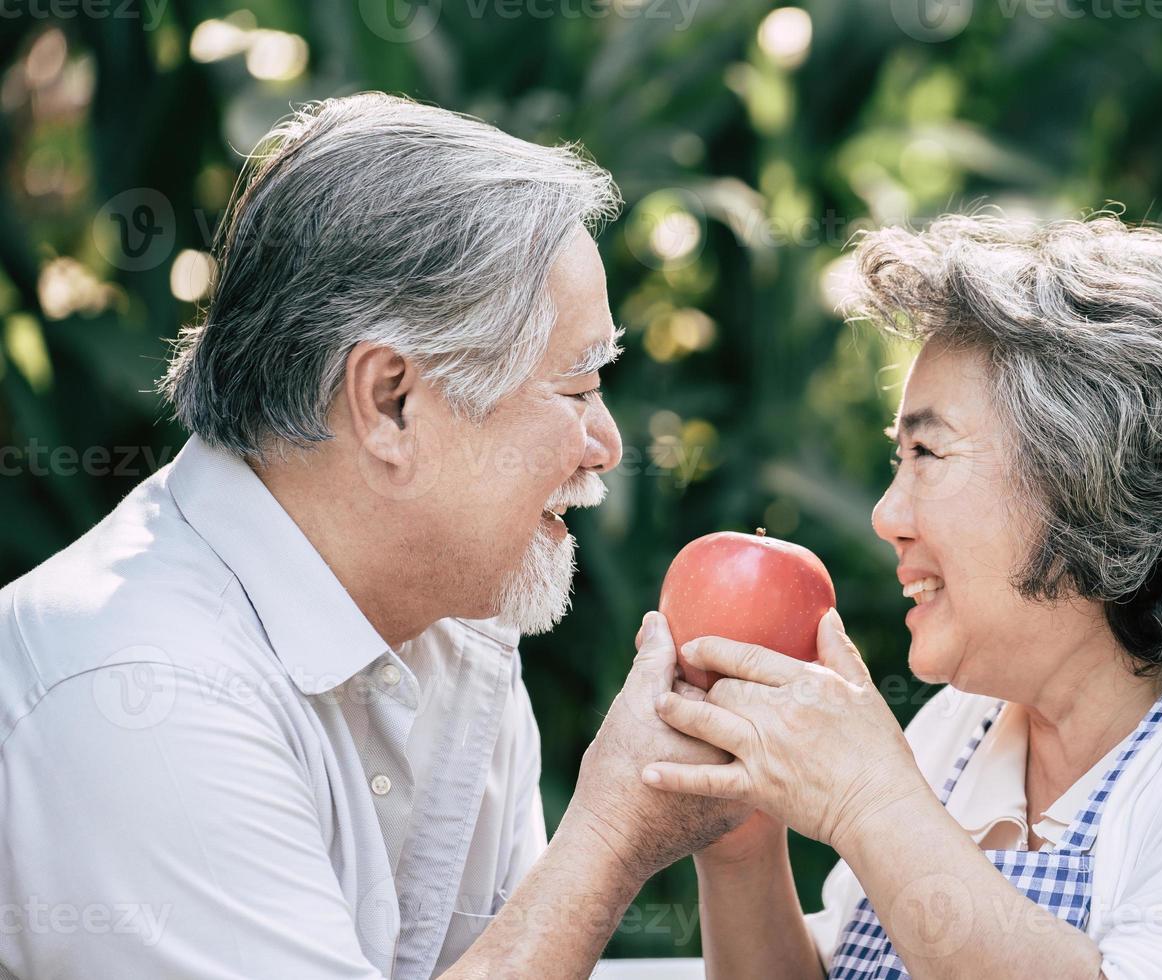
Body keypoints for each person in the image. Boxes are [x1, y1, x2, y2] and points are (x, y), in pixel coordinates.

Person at [0, 93, 743, 979]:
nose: (606, 445)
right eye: (579, 388)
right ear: (390, 402)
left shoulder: (454, 623)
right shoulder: (143, 692)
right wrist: (614, 838)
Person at [643, 214, 1162, 978]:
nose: (885, 516)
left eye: (927, 452)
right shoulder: (969, 726)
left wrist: (868, 802)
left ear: (1091, 477)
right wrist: (742, 845)